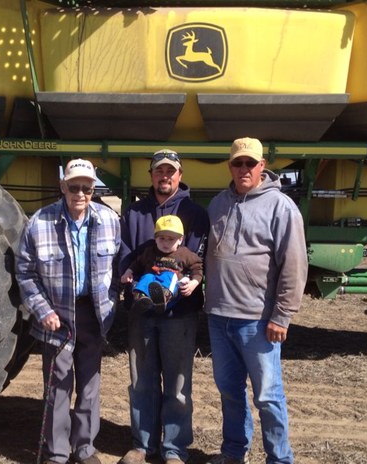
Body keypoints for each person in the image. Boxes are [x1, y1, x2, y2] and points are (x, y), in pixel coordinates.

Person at [204, 137, 308, 464]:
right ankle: (234, 453)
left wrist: (282, 316)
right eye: (238, 163)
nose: (244, 169)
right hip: (219, 317)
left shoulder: (281, 207)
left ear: (262, 166)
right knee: (230, 392)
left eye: (251, 163)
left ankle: (279, 459)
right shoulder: (218, 204)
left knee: (267, 396)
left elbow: (294, 264)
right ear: (230, 166)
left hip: (258, 321)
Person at [15, 158, 121, 464]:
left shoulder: (110, 220)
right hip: (56, 315)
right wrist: (42, 310)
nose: (80, 193)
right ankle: (57, 453)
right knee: (58, 385)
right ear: (63, 187)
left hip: (93, 313)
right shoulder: (40, 222)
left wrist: (111, 304)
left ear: (93, 189)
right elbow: (25, 273)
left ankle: (84, 448)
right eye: (73, 186)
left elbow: (117, 270)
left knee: (90, 384)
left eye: (86, 187)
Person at [119, 149, 210, 464]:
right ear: (152, 175)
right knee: (141, 380)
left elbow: (201, 260)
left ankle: (174, 448)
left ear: (180, 176)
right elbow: (126, 253)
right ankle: (142, 445)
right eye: (160, 171)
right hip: (142, 314)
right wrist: (129, 277)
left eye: (171, 171)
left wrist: (192, 284)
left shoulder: (196, 213)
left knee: (178, 382)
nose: (165, 176)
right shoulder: (134, 213)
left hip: (179, 316)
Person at [121, 214, 203, 314]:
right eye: (162, 238)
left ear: (180, 240)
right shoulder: (150, 252)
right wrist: (128, 272)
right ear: (155, 238)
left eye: (171, 239)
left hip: (172, 289)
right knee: (147, 276)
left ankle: (162, 298)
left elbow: (197, 267)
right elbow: (137, 263)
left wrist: (194, 282)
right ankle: (142, 298)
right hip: (151, 283)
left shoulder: (184, 254)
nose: (166, 243)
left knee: (169, 276)